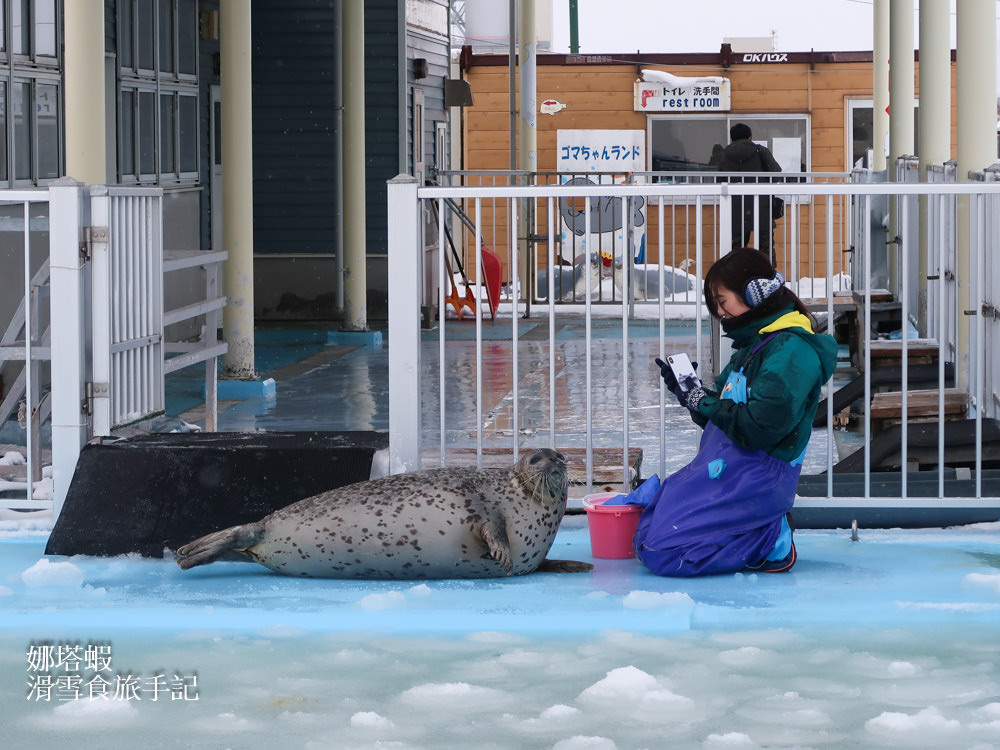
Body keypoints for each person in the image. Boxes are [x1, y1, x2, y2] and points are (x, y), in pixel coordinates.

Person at [634, 248, 838, 577]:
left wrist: (703, 400)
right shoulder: (755, 343)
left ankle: (770, 538)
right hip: (729, 467)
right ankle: (752, 530)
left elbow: (758, 426)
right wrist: (689, 394)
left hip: (759, 477)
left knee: (667, 553)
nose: (718, 311)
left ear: (754, 294)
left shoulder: (791, 351)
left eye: (722, 300)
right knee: (647, 534)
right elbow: (728, 413)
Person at [718, 123, 783, 265]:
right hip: (762, 207)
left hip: (736, 208)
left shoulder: (724, 155)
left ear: (731, 139)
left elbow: (719, 180)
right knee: (765, 249)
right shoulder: (760, 151)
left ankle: (736, 277)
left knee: (737, 249)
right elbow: (776, 173)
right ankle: (766, 277)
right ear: (750, 137)